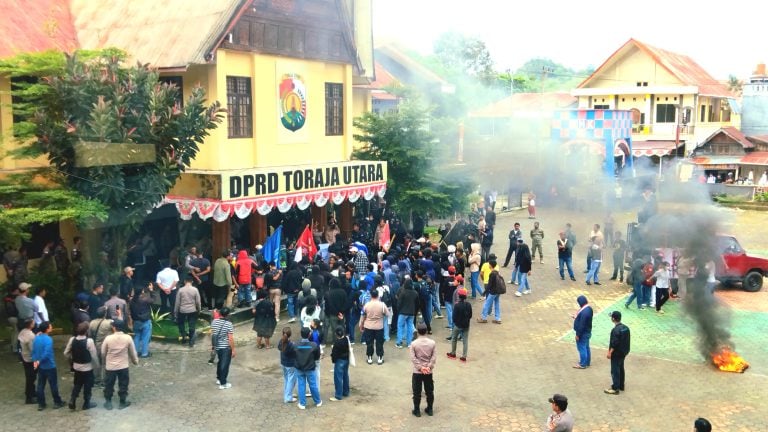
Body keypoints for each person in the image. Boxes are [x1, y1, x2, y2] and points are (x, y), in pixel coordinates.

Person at [102, 319, 139, 409]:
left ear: (114, 328)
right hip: (123, 366)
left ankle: (108, 402)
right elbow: (133, 352)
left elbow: (103, 352)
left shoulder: (108, 338)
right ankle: (122, 402)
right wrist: (135, 361)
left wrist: (105, 362)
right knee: (123, 384)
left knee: (109, 384)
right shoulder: (128, 338)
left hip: (110, 366)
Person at [64, 321, 99, 410]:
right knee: (88, 386)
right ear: (87, 331)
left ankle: (73, 399)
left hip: (76, 367)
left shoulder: (72, 340)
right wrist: (97, 366)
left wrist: (71, 361)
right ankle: (86, 403)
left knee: (77, 384)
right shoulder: (89, 341)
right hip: (87, 368)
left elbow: (66, 353)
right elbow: (94, 356)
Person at [32, 321, 65, 410]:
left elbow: (34, 352)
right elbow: (46, 353)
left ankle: (41, 404)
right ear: (47, 329)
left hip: (40, 366)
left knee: (40, 385)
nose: (51, 327)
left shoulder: (36, 338)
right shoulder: (48, 340)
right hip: (49, 366)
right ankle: (57, 402)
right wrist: (40, 360)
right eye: (50, 326)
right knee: (53, 385)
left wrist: (36, 362)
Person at [291, 327, 322, 409]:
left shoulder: (296, 345)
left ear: (301, 334)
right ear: (309, 335)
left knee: (301, 385)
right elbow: (317, 357)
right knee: (313, 385)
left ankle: (302, 404)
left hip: (299, 368)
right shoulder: (314, 345)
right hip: (310, 368)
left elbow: (293, 355)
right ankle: (318, 401)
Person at [410, 323, 436, 417]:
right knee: (429, 391)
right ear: (426, 331)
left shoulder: (414, 344)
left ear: (418, 331)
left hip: (417, 372)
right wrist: (428, 367)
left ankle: (417, 410)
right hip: (428, 371)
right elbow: (433, 357)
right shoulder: (432, 343)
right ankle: (430, 409)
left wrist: (421, 367)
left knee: (416, 391)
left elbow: (413, 358)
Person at [360, 288, 389, 365]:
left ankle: (369, 357)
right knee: (379, 342)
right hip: (379, 327)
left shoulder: (366, 305)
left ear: (371, 296)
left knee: (369, 342)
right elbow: (387, 314)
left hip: (368, 326)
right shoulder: (382, 305)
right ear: (378, 295)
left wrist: (361, 325)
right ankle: (380, 357)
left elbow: (362, 316)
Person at [605, 311, 631, 395]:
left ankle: (615, 388)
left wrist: (610, 353)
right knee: (621, 368)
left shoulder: (615, 330)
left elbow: (614, 343)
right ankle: (621, 385)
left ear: (613, 319)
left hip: (616, 354)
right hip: (623, 352)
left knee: (615, 370)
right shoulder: (626, 328)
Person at [211, 307, 235, 389]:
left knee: (220, 362)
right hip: (225, 347)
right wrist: (233, 350)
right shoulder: (229, 324)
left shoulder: (214, 321)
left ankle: (219, 378)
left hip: (217, 346)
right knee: (224, 365)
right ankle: (223, 383)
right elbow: (230, 338)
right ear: (228, 315)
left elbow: (213, 333)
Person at [130, 282, 156, 358]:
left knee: (137, 336)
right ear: (142, 291)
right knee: (145, 337)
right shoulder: (145, 299)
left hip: (136, 321)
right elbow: (153, 300)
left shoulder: (132, 301)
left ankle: (135, 352)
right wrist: (151, 290)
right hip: (145, 321)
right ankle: (144, 353)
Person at [174, 275, 202, 347]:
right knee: (191, 325)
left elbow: (177, 303)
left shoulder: (180, 290)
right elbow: (198, 302)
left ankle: (183, 337)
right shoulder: (195, 290)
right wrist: (199, 310)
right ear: (192, 282)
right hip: (192, 310)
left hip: (182, 310)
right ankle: (191, 341)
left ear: (184, 282)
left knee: (181, 323)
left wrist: (176, 312)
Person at [446, 287, 471, 362]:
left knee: (454, 339)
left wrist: (456, 322)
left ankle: (453, 353)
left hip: (458, 325)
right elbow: (470, 315)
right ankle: (464, 356)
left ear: (459, 296)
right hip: (466, 325)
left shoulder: (457, 305)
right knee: (465, 340)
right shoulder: (468, 305)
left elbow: (454, 317)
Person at [17, 318, 37, 405]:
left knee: (29, 376)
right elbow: (32, 349)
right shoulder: (30, 336)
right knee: (31, 377)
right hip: (30, 359)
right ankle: (29, 397)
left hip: (24, 357)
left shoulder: (22, 332)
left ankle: (31, 392)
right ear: (31, 325)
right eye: (33, 322)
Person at [329, 326, 350, 402]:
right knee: (345, 376)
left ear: (336, 334)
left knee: (338, 378)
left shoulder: (337, 343)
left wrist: (333, 360)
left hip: (339, 361)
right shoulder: (346, 339)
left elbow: (334, 354)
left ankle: (338, 395)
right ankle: (346, 392)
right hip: (346, 359)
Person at [572, 295, 593, 369]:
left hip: (583, 333)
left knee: (581, 348)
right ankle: (587, 362)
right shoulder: (589, 308)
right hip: (587, 332)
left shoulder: (584, 312)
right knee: (586, 347)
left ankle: (582, 364)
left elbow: (581, 325)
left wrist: (578, 335)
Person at [278, 327, 297, 403]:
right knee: (291, 380)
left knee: (287, 379)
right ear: (290, 335)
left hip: (283, 363)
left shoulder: (281, 341)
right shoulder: (291, 345)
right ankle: (288, 397)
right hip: (290, 365)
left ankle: (287, 394)